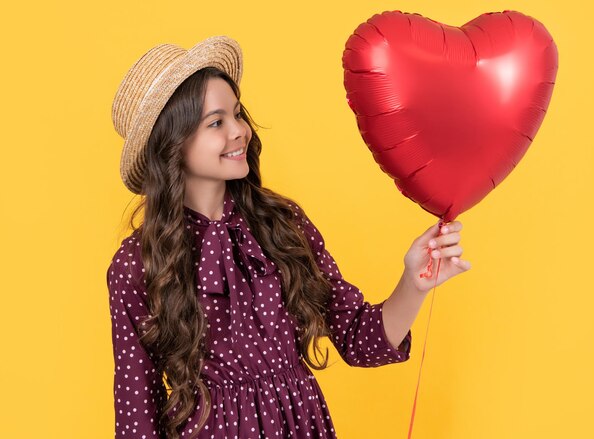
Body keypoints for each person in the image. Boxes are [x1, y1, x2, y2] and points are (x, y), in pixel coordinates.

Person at [106, 35, 471, 439]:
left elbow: (356, 339)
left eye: (237, 114)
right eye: (216, 122)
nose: (239, 131)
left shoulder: (281, 223)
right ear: (174, 144)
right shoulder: (135, 265)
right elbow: (136, 409)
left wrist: (413, 283)